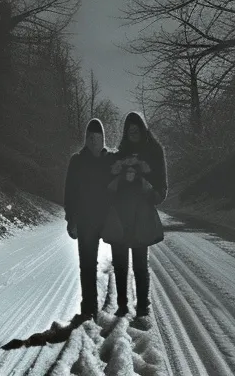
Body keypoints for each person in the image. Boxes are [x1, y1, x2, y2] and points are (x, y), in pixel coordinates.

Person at [109, 112, 167, 318]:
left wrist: (145, 182)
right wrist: (117, 173)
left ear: (143, 129)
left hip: (141, 216)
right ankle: (122, 305)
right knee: (120, 264)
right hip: (120, 216)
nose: (133, 133)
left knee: (140, 265)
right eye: (129, 130)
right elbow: (108, 187)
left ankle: (142, 306)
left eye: (136, 129)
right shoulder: (119, 153)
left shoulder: (154, 152)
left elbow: (161, 192)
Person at [63, 118, 113, 320]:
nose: (93, 141)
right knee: (87, 265)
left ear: (103, 139)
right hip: (84, 221)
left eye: (97, 137)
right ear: (86, 139)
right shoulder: (77, 160)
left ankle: (121, 305)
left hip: (107, 219)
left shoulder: (109, 160)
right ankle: (88, 307)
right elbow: (69, 192)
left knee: (119, 262)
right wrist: (70, 219)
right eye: (90, 137)